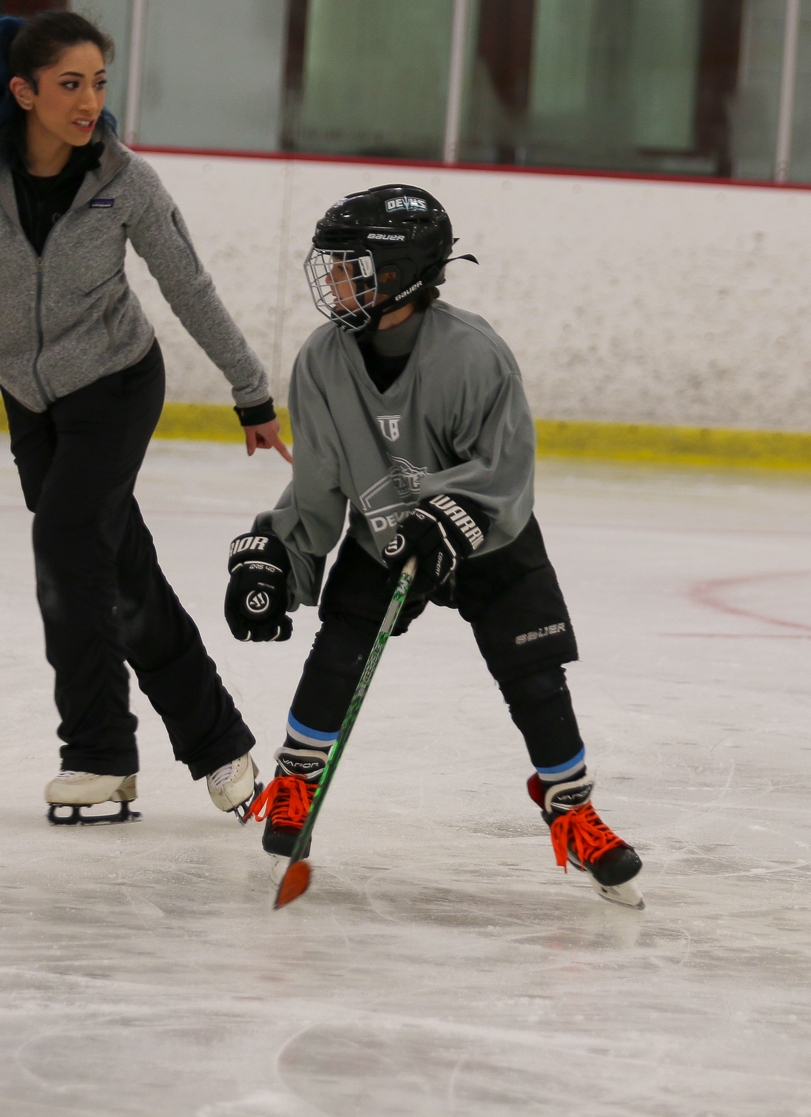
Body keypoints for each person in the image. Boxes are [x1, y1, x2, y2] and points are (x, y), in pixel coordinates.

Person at [0, 11, 287, 826]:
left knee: (68, 544)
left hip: (114, 383)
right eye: (70, 84)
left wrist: (250, 391)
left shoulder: (123, 178)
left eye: (100, 82)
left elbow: (189, 285)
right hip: (30, 400)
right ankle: (221, 744)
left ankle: (100, 754)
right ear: (24, 91)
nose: (89, 101)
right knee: (120, 572)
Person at [227, 185, 645, 908]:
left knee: (535, 673)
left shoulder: (474, 355)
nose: (332, 280)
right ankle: (297, 779)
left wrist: (453, 518)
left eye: (349, 266)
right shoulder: (324, 361)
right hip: (387, 533)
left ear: (399, 274)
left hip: (489, 540)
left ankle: (571, 807)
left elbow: (506, 470)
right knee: (340, 644)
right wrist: (280, 555)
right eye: (330, 265)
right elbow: (321, 490)